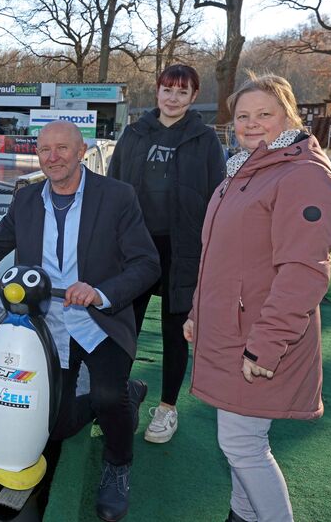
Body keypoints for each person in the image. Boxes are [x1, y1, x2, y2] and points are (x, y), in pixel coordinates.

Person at [0, 121, 160, 522]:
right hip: (45, 327)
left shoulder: (117, 196)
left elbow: (147, 263)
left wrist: (100, 292)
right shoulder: (28, 198)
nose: (51, 157)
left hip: (98, 320)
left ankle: (118, 463)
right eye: (44, 149)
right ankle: (128, 396)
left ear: (82, 150)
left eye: (62, 149)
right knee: (55, 426)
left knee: (107, 396)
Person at [183, 74, 331, 522]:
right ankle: (243, 515)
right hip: (232, 331)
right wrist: (198, 311)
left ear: (290, 115)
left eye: (264, 114)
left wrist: (267, 343)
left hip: (261, 337)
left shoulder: (301, 175)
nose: (252, 125)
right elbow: (218, 257)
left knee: (242, 444)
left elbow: (303, 271)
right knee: (240, 441)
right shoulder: (244, 172)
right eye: (243, 116)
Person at [107, 64, 226, 444]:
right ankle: (117, 398)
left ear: (193, 98)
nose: (173, 98)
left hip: (184, 248)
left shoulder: (205, 139)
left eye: (182, 92)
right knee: (125, 325)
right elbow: (113, 189)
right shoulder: (134, 134)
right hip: (137, 247)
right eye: (167, 90)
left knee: (177, 330)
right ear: (156, 92)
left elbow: (217, 196)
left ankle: (167, 408)